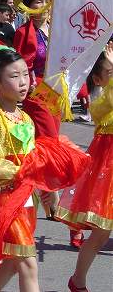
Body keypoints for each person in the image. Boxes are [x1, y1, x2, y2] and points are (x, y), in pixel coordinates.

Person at [0, 46, 90, 292]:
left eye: (25, 74)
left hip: (26, 202)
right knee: (28, 264)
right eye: (14, 76)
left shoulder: (25, 119)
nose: (23, 82)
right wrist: (22, 170)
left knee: (13, 262)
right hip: (4, 201)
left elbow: (36, 163)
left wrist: (46, 191)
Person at [55, 45, 113, 292]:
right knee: (100, 233)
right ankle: (78, 280)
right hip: (108, 170)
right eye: (110, 71)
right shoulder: (101, 102)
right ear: (97, 79)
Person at [12, 0, 63, 223]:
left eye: (46, 1)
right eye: (38, 2)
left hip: (56, 90)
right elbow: (20, 64)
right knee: (51, 144)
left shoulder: (56, 28)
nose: (44, 6)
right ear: (28, 6)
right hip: (37, 92)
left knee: (43, 146)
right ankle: (52, 197)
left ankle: (43, 192)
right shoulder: (24, 31)